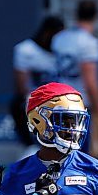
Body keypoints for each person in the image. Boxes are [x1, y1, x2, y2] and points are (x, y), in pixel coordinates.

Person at [52, 0, 98, 159]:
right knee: (80, 156)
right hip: (79, 104)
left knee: (59, 153)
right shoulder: (89, 43)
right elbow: (90, 81)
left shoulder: (59, 38)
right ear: (95, 16)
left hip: (58, 101)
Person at [11, 16, 64, 149]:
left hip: (60, 99)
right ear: (47, 33)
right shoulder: (26, 50)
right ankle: (30, 145)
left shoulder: (64, 52)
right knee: (20, 103)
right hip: (36, 99)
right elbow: (23, 87)